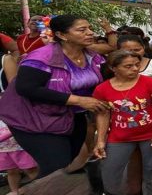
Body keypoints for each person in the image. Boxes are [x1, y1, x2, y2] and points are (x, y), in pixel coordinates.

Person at [0, 15, 111, 184]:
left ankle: (39, 191)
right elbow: (26, 88)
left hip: (74, 117)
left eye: (89, 28)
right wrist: (79, 100)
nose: (90, 33)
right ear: (62, 35)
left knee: (68, 160)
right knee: (57, 164)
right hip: (34, 119)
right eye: (82, 30)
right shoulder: (41, 57)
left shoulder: (93, 57)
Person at [92, 50, 152, 195]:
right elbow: (103, 114)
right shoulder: (102, 89)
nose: (134, 69)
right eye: (128, 66)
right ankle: (119, 194)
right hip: (119, 136)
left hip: (149, 134)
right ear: (114, 68)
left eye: (137, 65)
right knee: (111, 166)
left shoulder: (150, 82)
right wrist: (100, 140)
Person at [0, 53, 38, 195]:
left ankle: (42, 188)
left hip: (10, 117)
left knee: (29, 164)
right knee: (9, 166)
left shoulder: (5, 59)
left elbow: (15, 89)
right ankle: (15, 191)